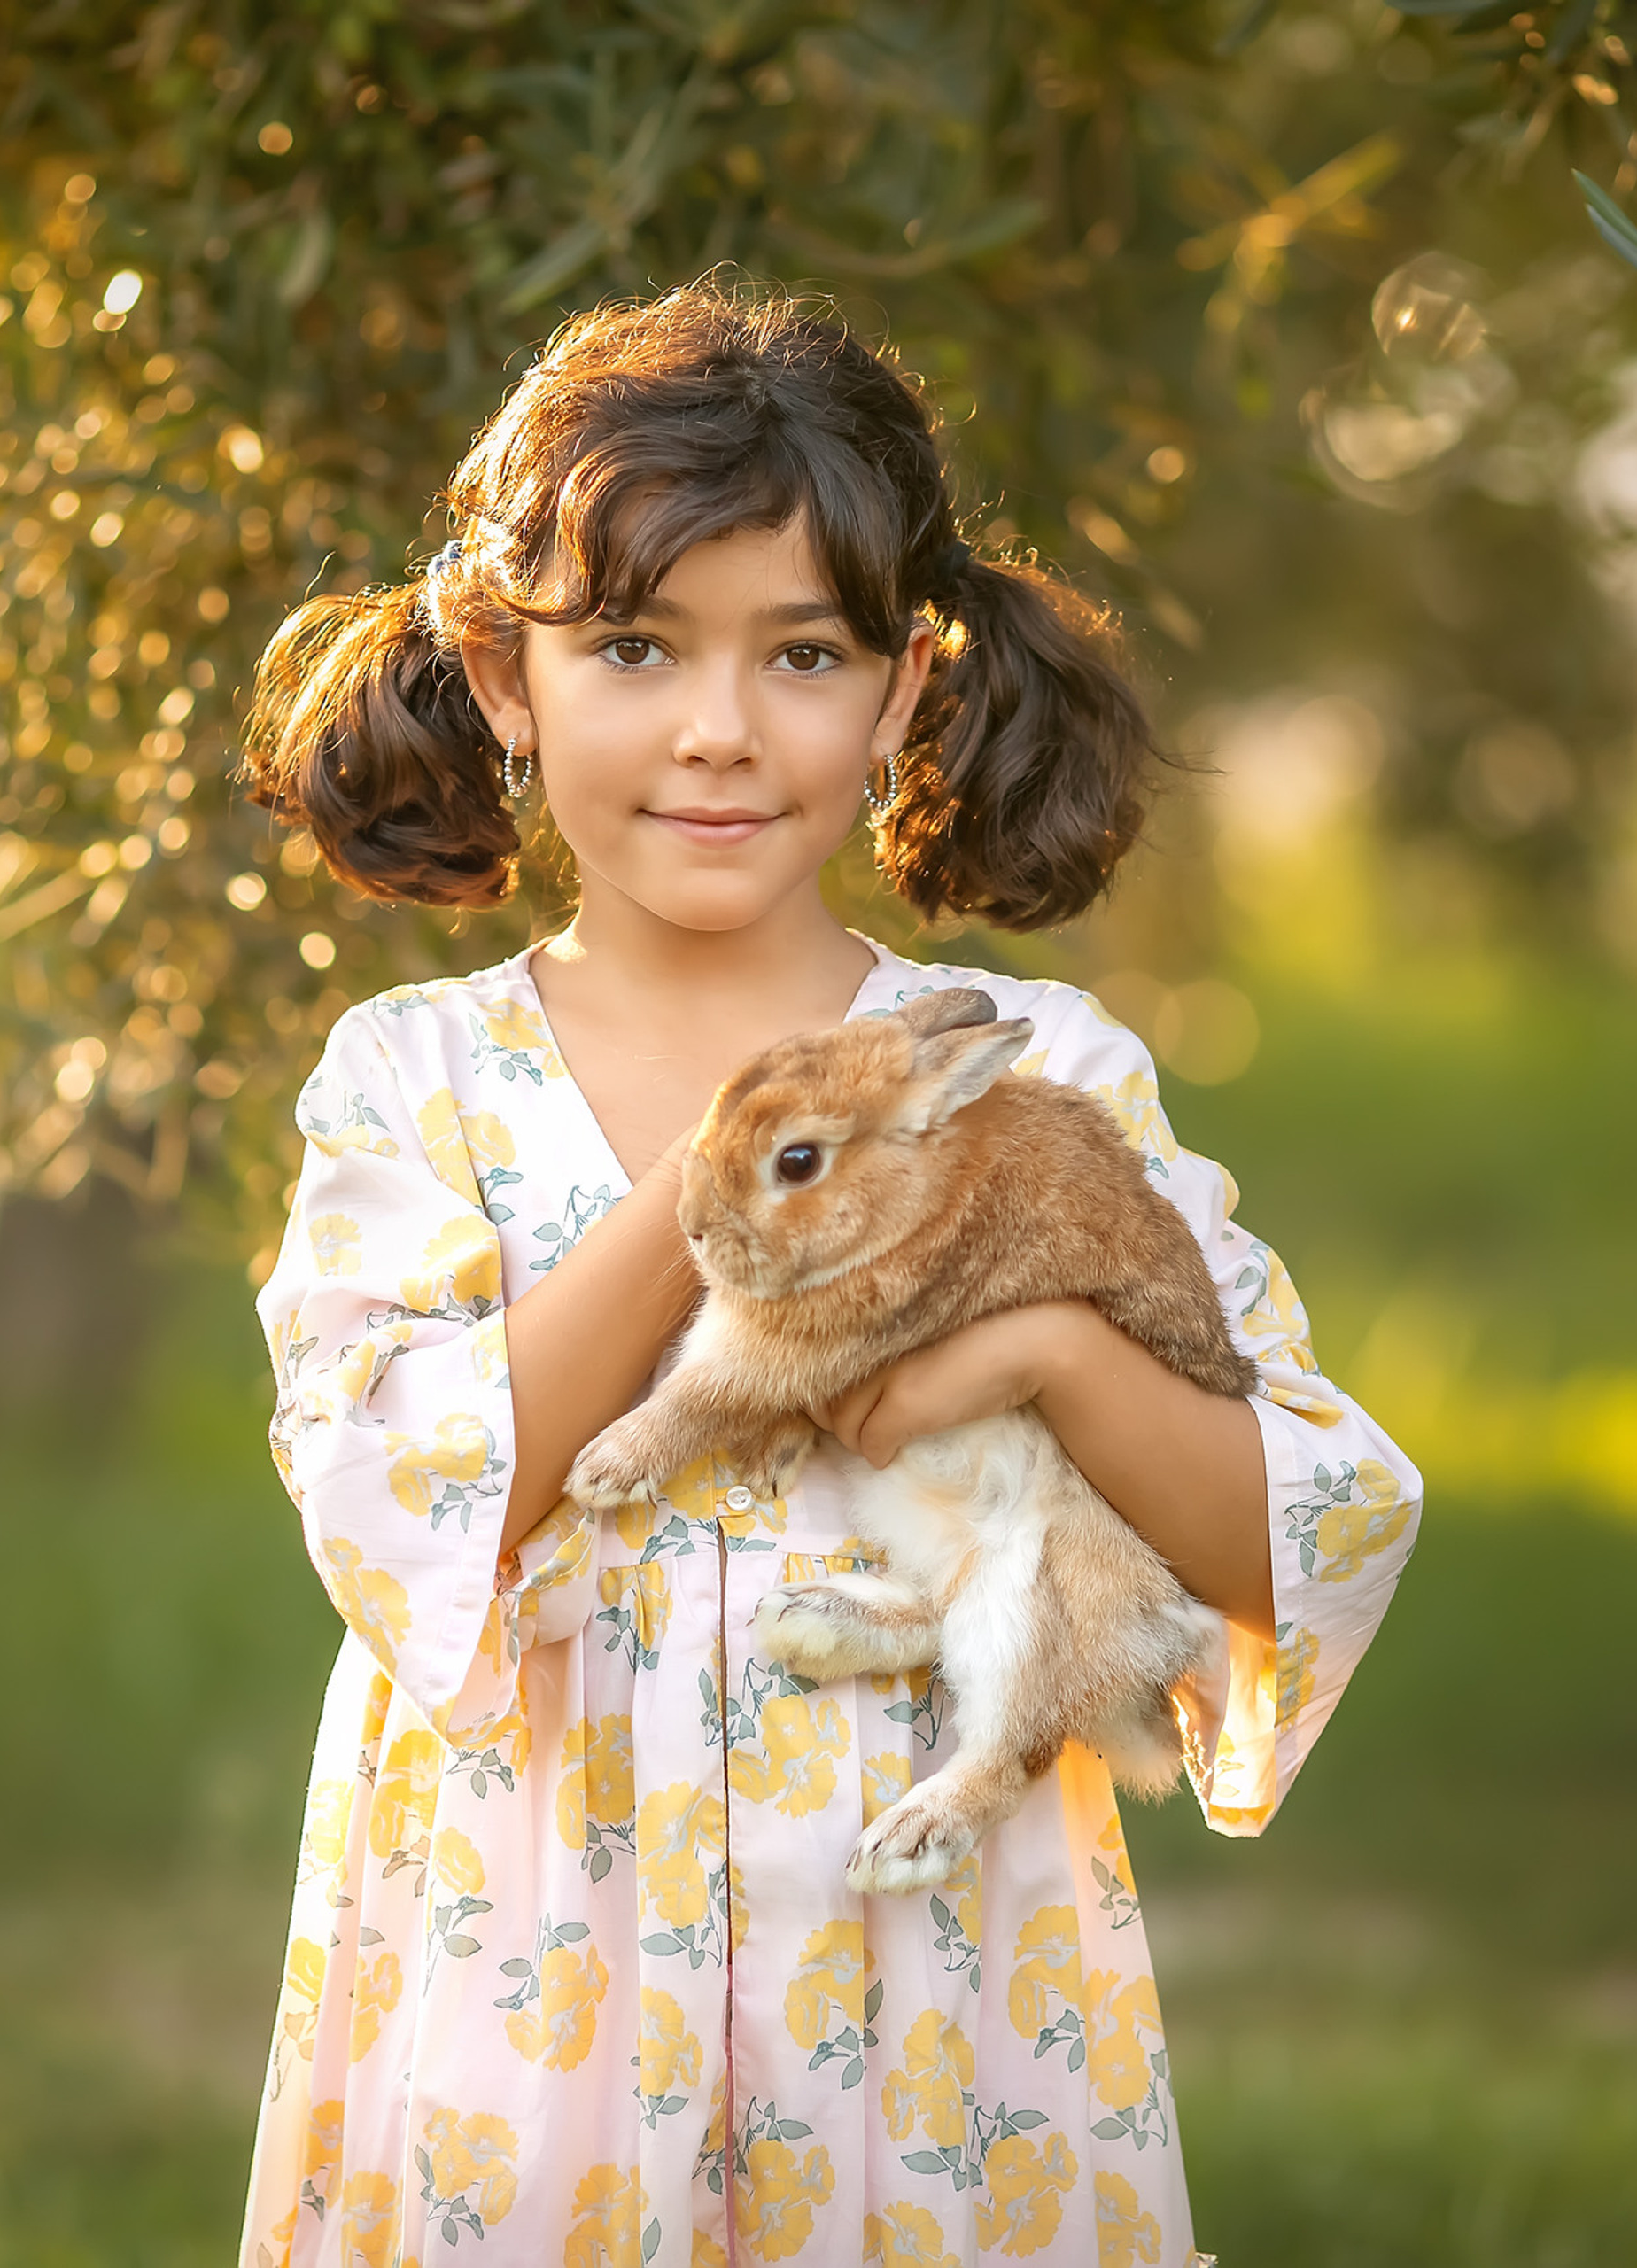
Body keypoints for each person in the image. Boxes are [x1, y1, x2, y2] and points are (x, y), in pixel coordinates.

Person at [235, 283, 1420, 2267]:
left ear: (898, 690)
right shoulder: (412, 1083)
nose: (717, 727)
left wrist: (1039, 1337)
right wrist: (738, 1152)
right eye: (631, 645)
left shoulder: (1030, 1076)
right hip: (537, 1965)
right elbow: (397, 1498)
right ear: (499, 673)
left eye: (798, 653)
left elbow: (1298, 1524)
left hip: (928, 1974)